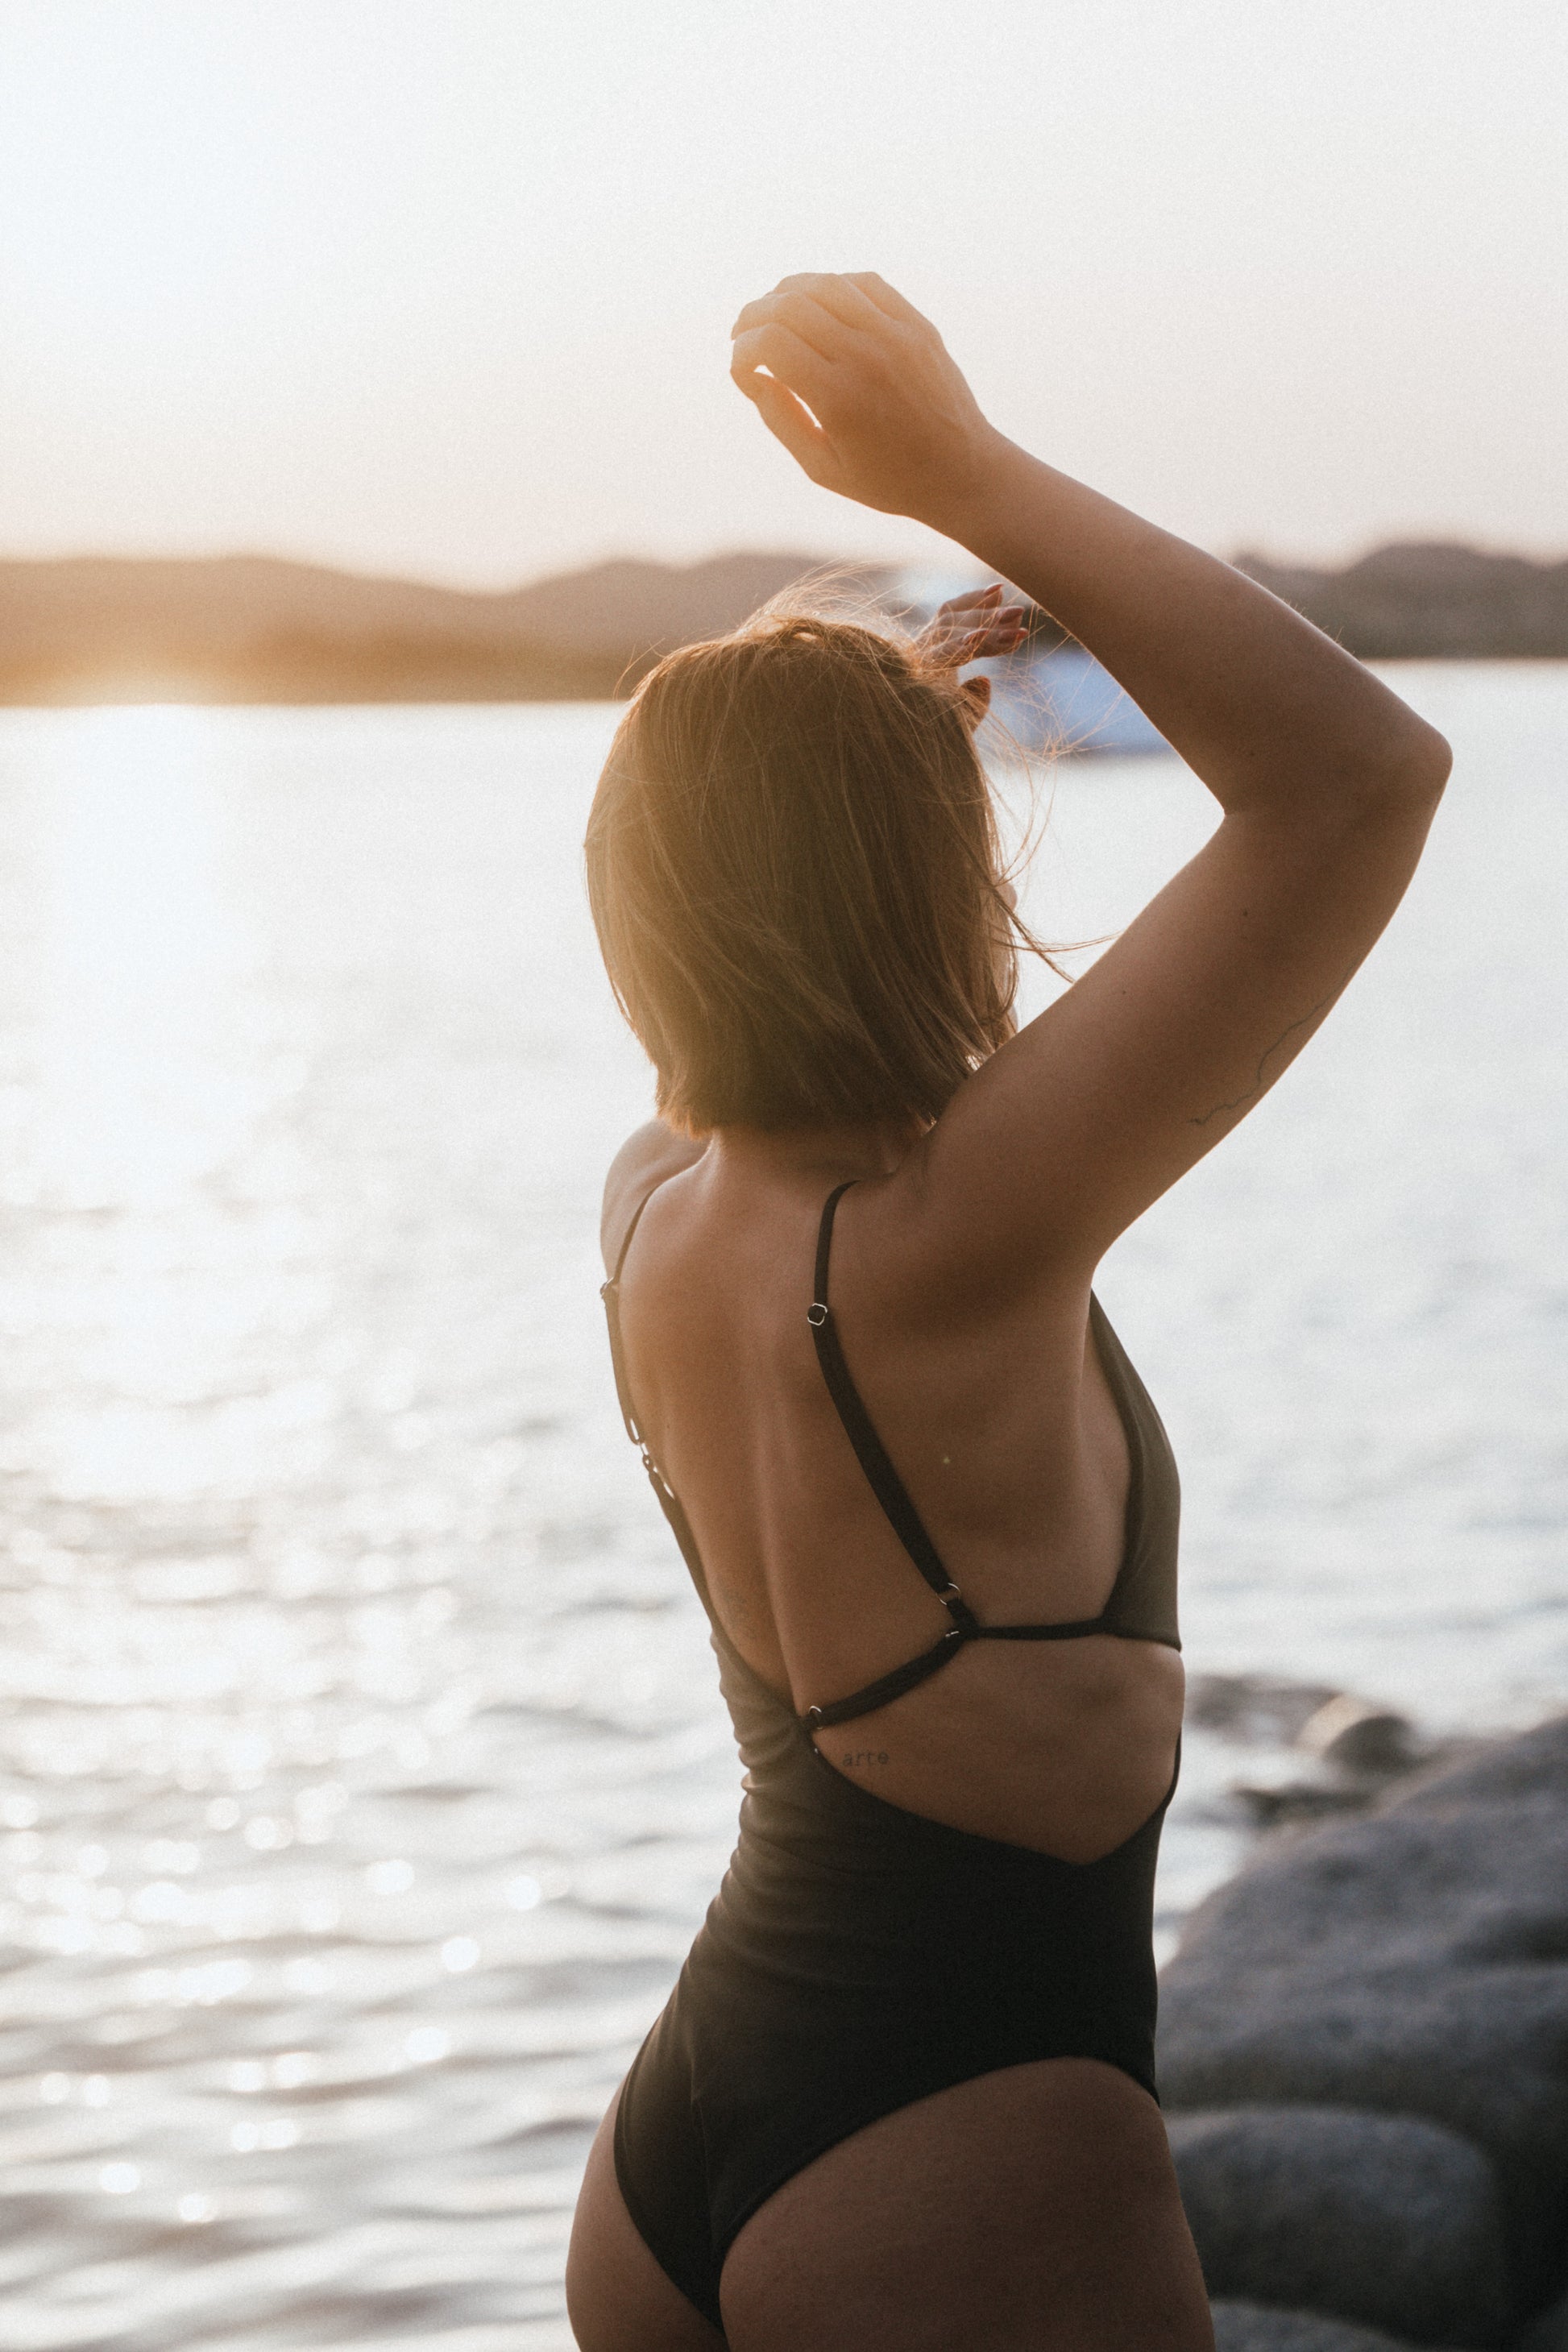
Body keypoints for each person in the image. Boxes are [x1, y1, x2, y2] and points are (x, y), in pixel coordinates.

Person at [564, 273, 1450, 2352]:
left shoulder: (652, 1205)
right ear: (928, 876)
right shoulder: (956, 1233)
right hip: (947, 2131)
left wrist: (840, 724)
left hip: (682, 2143)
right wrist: (957, 475)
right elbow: (1356, 777)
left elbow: (739, 923)